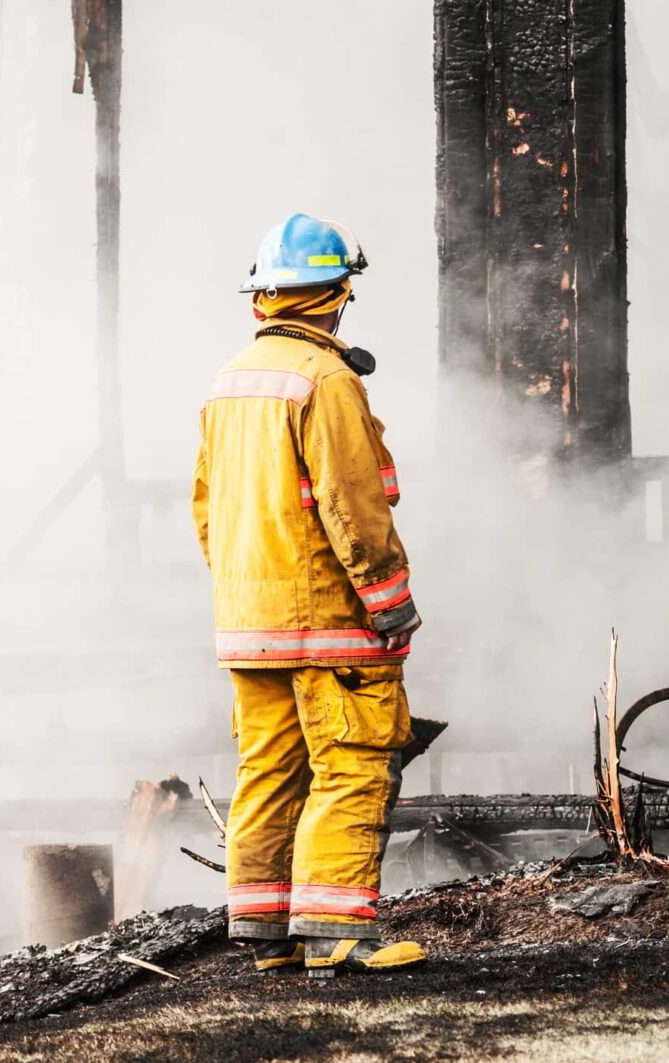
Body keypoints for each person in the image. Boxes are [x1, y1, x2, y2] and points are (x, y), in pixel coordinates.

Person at [192, 213, 426, 976]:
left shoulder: (230, 382)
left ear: (261, 299)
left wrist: (243, 595)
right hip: (326, 620)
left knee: (268, 769)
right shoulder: (326, 381)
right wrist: (387, 599)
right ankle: (336, 933)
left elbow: (206, 508)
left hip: (248, 624)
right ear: (336, 294)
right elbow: (352, 502)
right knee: (354, 761)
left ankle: (266, 936)